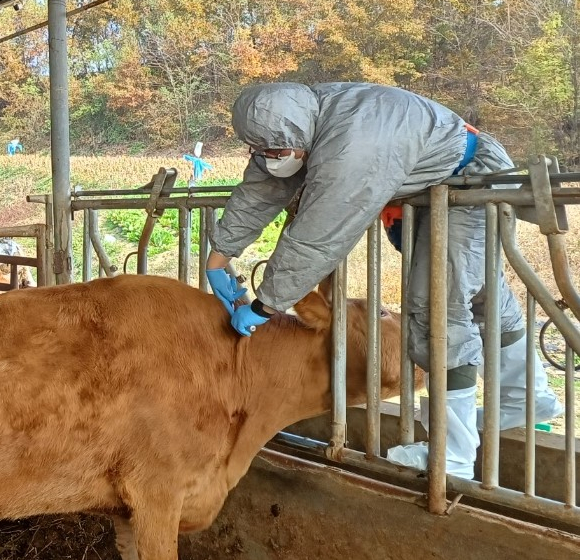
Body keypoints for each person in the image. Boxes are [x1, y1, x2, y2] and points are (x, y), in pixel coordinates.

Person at [205, 82, 563, 479]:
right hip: (436, 184)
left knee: (436, 305)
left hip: (470, 179)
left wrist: (265, 304)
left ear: (295, 136)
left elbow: (320, 233)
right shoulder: (296, 124)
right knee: (481, 294)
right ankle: (527, 398)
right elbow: (259, 191)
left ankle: (453, 456)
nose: (268, 159)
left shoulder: (351, 144)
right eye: (259, 152)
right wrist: (217, 259)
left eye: (273, 152)